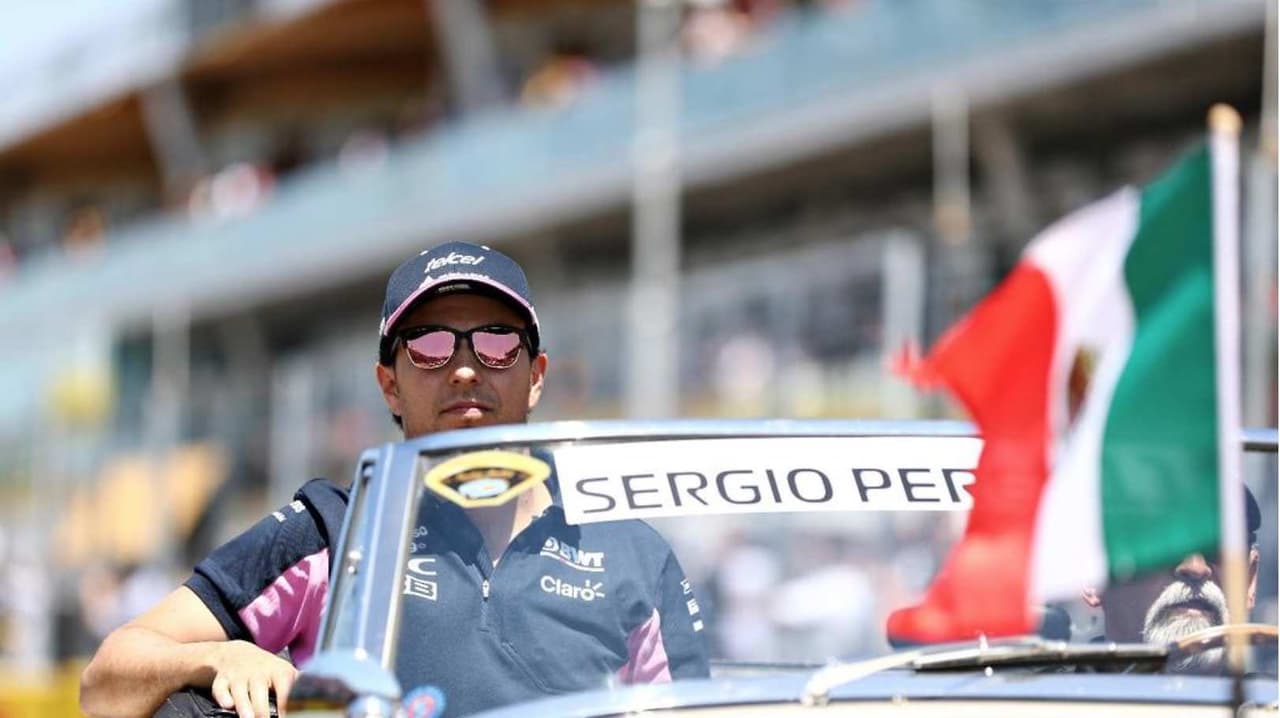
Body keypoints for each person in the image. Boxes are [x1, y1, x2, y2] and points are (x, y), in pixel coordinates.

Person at [80, 241, 711, 718]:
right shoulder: (334, 530)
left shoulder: (632, 551)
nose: (465, 368)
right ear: (390, 385)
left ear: (536, 375)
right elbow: (105, 682)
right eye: (430, 346)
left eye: (496, 343)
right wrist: (218, 656)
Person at [1085, 486, 1263, 673]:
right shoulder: (1062, 691)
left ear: (1249, 581)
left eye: (1218, 544)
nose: (1195, 568)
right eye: (1160, 540)